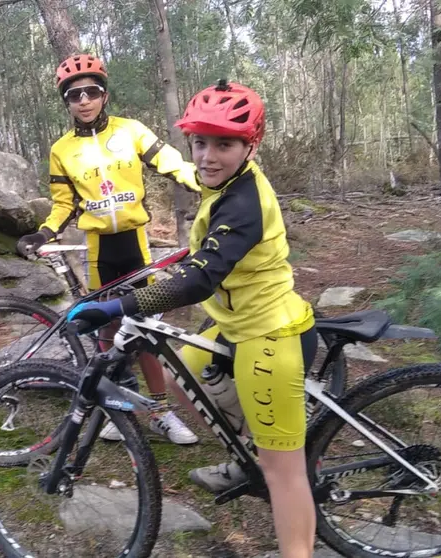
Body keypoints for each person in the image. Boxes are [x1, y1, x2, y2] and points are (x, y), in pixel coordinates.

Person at [67, 80, 317, 558]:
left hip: (270, 337)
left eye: (224, 144)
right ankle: (247, 450)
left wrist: (120, 306)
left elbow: (201, 280)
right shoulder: (228, 185)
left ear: (250, 145)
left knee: (283, 474)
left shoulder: (245, 202)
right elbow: (210, 252)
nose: (206, 156)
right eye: (200, 142)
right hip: (237, 323)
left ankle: (274, 488)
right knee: (184, 374)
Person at [17, 54, 200, 445]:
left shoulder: (130, 131)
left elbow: (168, 161)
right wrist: (45, 232)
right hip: (99, 248)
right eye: (73, 95)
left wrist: (203, 181)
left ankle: (159, 412)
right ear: (66, 102)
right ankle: (113, 409)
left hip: (134, 242)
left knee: (146, 329)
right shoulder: (61, 150)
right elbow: (64, 204)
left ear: (104, 94)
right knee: (107, 331)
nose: (83, 100)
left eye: (91, 91)